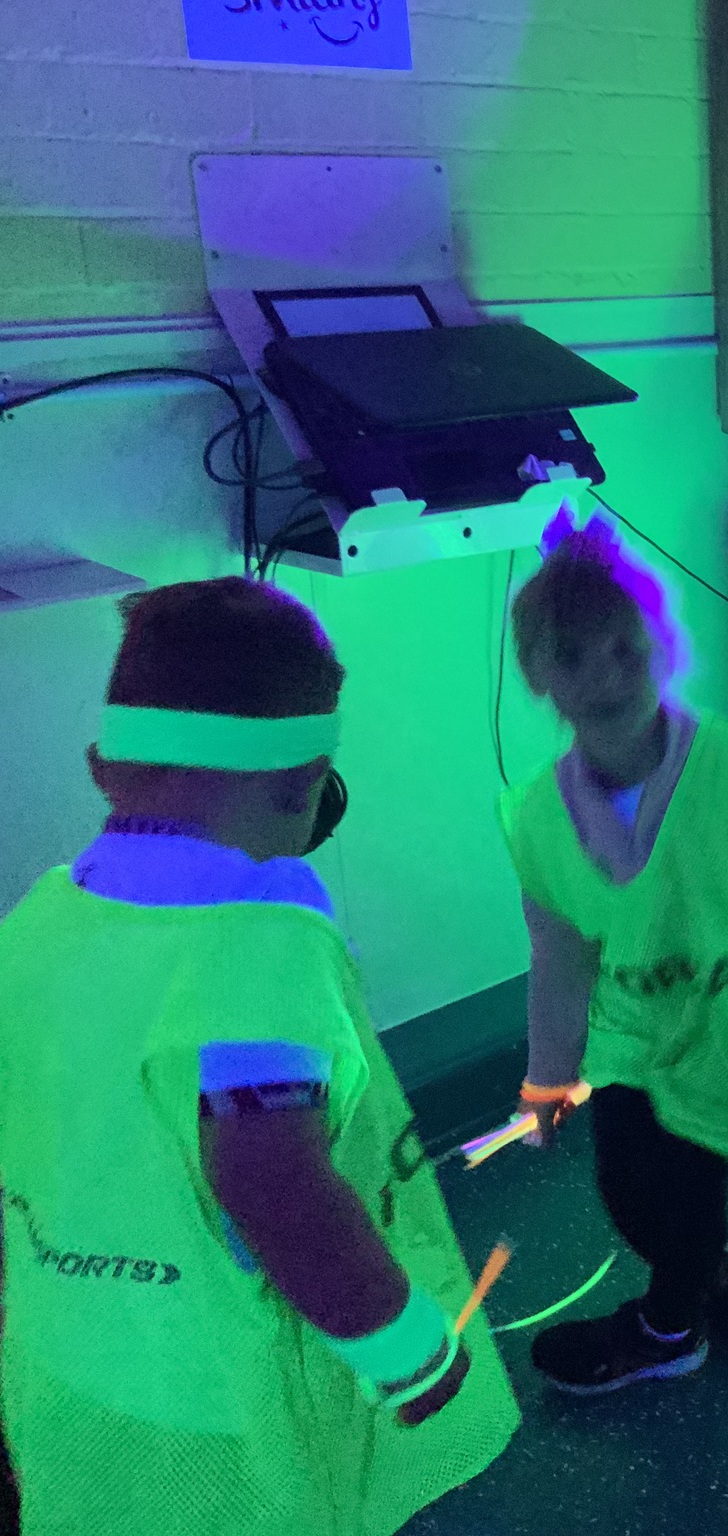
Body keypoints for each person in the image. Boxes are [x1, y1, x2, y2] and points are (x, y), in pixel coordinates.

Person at [0, 578, 517, 1535]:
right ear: (306, 788)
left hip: (71, 1351)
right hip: (215, 1385)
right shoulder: (257, 948)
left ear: (102, 767)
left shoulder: (36, 922)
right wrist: (407, 1350)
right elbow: (271, 1181)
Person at [498, 511, 728, 1393]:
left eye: (624, 650)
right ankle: (715, 1277)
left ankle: (669, 1328)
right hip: (632, 1042)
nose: (603, 676)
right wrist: (548, 1077)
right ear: (539, 675)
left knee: (691, 1190)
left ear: (662, 646)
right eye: (571, 658)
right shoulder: (538, 818)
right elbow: (560, 958)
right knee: (629, 1192)